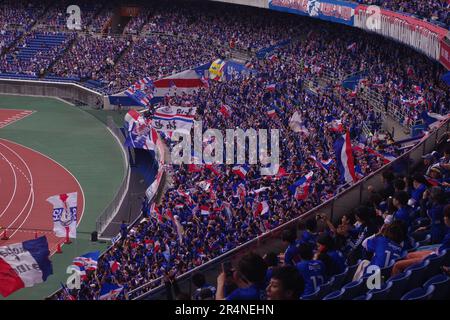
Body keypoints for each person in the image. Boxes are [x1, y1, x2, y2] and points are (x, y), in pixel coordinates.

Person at [392, 204, 450, 276]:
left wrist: (425, 258)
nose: (444, 218)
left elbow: (442, 255)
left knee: (397, 265)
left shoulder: (448, 236)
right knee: (409, 255)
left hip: (434, 259)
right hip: (437, 253)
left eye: (445, 216)